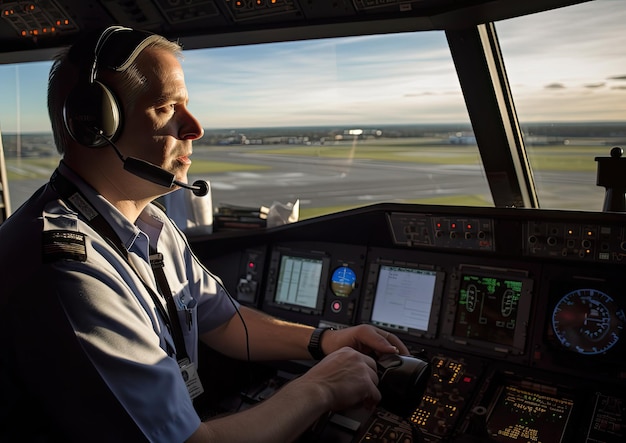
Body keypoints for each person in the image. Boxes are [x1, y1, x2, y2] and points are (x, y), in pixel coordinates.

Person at [0, 25, 409, 442]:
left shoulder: (148, 225)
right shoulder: (67, 269)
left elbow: (226, 322)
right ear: (94, 125)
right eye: (166, 107)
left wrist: (327, 340)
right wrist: (321, 387)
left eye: (187, 106)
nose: (194, 128)